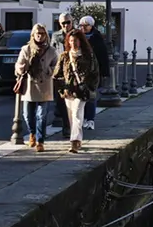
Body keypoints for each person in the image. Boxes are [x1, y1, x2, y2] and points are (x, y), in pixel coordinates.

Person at [14, 24, 58, 152]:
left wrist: (48, 70)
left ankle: (40, 140)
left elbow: (56, 67)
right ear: (32, 35)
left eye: (42, 33)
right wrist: (22, 67)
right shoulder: (26, 49)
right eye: (37, 33)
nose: (39, 35)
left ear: (46, 35)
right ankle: (32, 133)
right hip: (29, 85)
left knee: (41, 115)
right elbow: (19, 65)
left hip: (44, 85)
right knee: (27, 115)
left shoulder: (51, 50)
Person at [54, 29, 99, 153]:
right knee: (71, 117)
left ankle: (74, 141)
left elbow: (95, 73)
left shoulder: (88, 55)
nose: (74, 43)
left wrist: (89, 87)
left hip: (81, 91)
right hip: (68, 91)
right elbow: (56, 75)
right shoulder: (64, 56)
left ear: (81, 41)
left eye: (76, 41)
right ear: (68, 42)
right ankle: (78, 139)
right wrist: (62, 89)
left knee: (77, 114)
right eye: (71, 41)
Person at [79, 16, 108, 130]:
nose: (83, 28)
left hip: (93, 72)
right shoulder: (77, 37)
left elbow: (103, 55)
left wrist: (104, 72)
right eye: (81, 25)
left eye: (86, 25)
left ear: (91, 26)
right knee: (81, 97)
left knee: (91, 96)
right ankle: (82, 119)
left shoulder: (97, 38)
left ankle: (90, 119)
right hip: (80, 71)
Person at [51, 13, 75, 138]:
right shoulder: (56, 36)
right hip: (61, 73)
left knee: (75, 101)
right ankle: (67, 126)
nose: (66, 25)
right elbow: (52, 52)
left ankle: (73, 126)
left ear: (72, 22)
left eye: (68, 22)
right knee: (61, 102)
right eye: (63, 23)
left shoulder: (78, 34)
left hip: (76, 72)